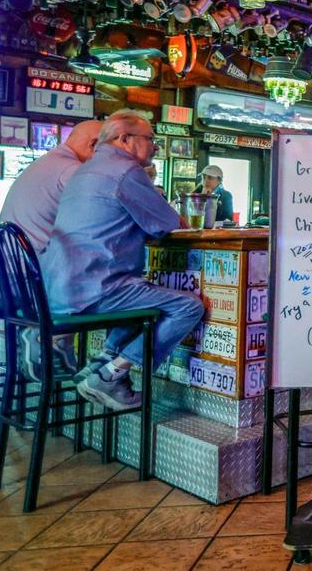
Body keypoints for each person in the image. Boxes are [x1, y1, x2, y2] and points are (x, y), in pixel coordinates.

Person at [41, 112, 205, 411]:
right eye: (151, 139)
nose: (155, 147)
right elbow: (167, 223)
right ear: (125, 139)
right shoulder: (126, 170)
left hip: (57, 290)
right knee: (188, 306)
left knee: (140, 299)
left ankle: (102, 366)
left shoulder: (85, 170)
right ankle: (112, 375)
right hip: (94, 289)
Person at [0, 119, 103, 380]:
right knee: (111, 288)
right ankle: (51, 338)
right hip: (32, 289)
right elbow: (106, 218)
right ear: (93, 145)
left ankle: (53, 340)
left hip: (6, 282)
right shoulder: (72, 171)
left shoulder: (47, 163)